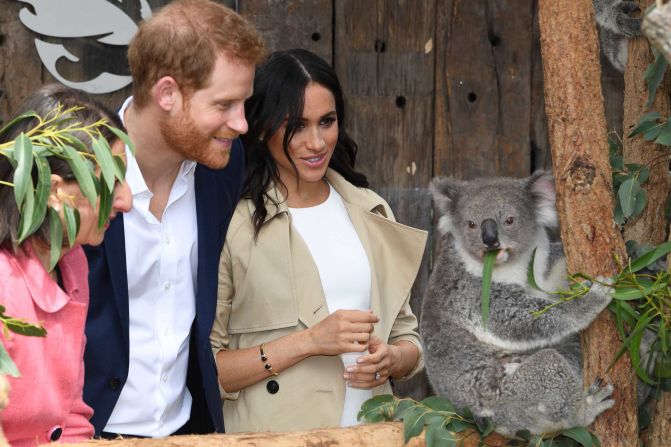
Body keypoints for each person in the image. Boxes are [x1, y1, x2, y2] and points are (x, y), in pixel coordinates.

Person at [210, 48, 428, 432]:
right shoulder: (234, 226)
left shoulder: (371, 210)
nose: (316, 142)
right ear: (262, 127)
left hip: (369, 433)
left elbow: (408, 339)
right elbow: (207, 371)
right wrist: (308, 342)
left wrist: (392, 359)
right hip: (275, 437)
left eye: (326, 122)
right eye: (297, 126)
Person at [82, 0, 264, 438]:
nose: (240, 123)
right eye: (224, 104)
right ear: (167, 94)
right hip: (85, 432)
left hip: (190, 427)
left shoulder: (223, 163)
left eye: (244, 103)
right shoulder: (78, 172)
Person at [0, 84, 132, 446]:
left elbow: (69, 414)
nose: (126, 201)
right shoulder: (4, 284)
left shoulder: (71, 264)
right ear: (56, 191)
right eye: (111, 183)